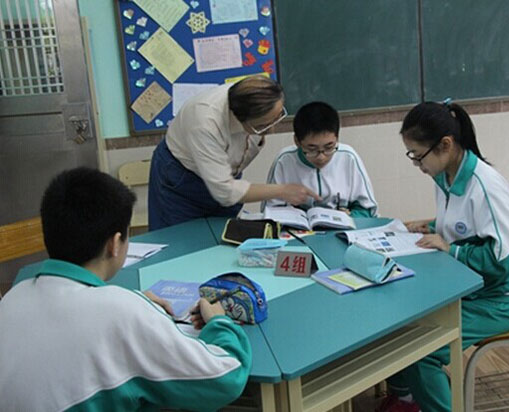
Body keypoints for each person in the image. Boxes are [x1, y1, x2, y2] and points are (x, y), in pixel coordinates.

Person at [0, 167, 251, 411]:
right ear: (115, 244)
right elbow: (227, 378)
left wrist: (134, 302)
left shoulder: (13, 298)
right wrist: (220, 322)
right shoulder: (122, 312)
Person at [379, 101, 509, 412]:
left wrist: (452, 248)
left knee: (423, 351)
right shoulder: (446, 176)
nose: (417, 164)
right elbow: (465, 226)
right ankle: (406, 399)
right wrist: (433, 226)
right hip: (465, 287)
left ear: (445, 145)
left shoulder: (485, 186)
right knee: (397, 318)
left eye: (418, 155)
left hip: (496, 301)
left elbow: (507, 259)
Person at [149, 75, 320, 230]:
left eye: (278, 117)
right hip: (182, 178)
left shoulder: (253, 97)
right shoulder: (205, 123)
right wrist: (282, 190)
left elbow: (227, 188)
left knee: (223, 235)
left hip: (226, 175)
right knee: (180, 240)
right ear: (240, 119)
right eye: (263, 126)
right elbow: (226, 192)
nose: (272, 130)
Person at [264, 101, 378, 216]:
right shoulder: (284, 161)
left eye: (329, 147)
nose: (321, 157)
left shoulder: (348, 157)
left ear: (337, 138)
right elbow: (270, 212)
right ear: (297, 141)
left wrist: (350, 217)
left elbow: (368, 209)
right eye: (312, 149)